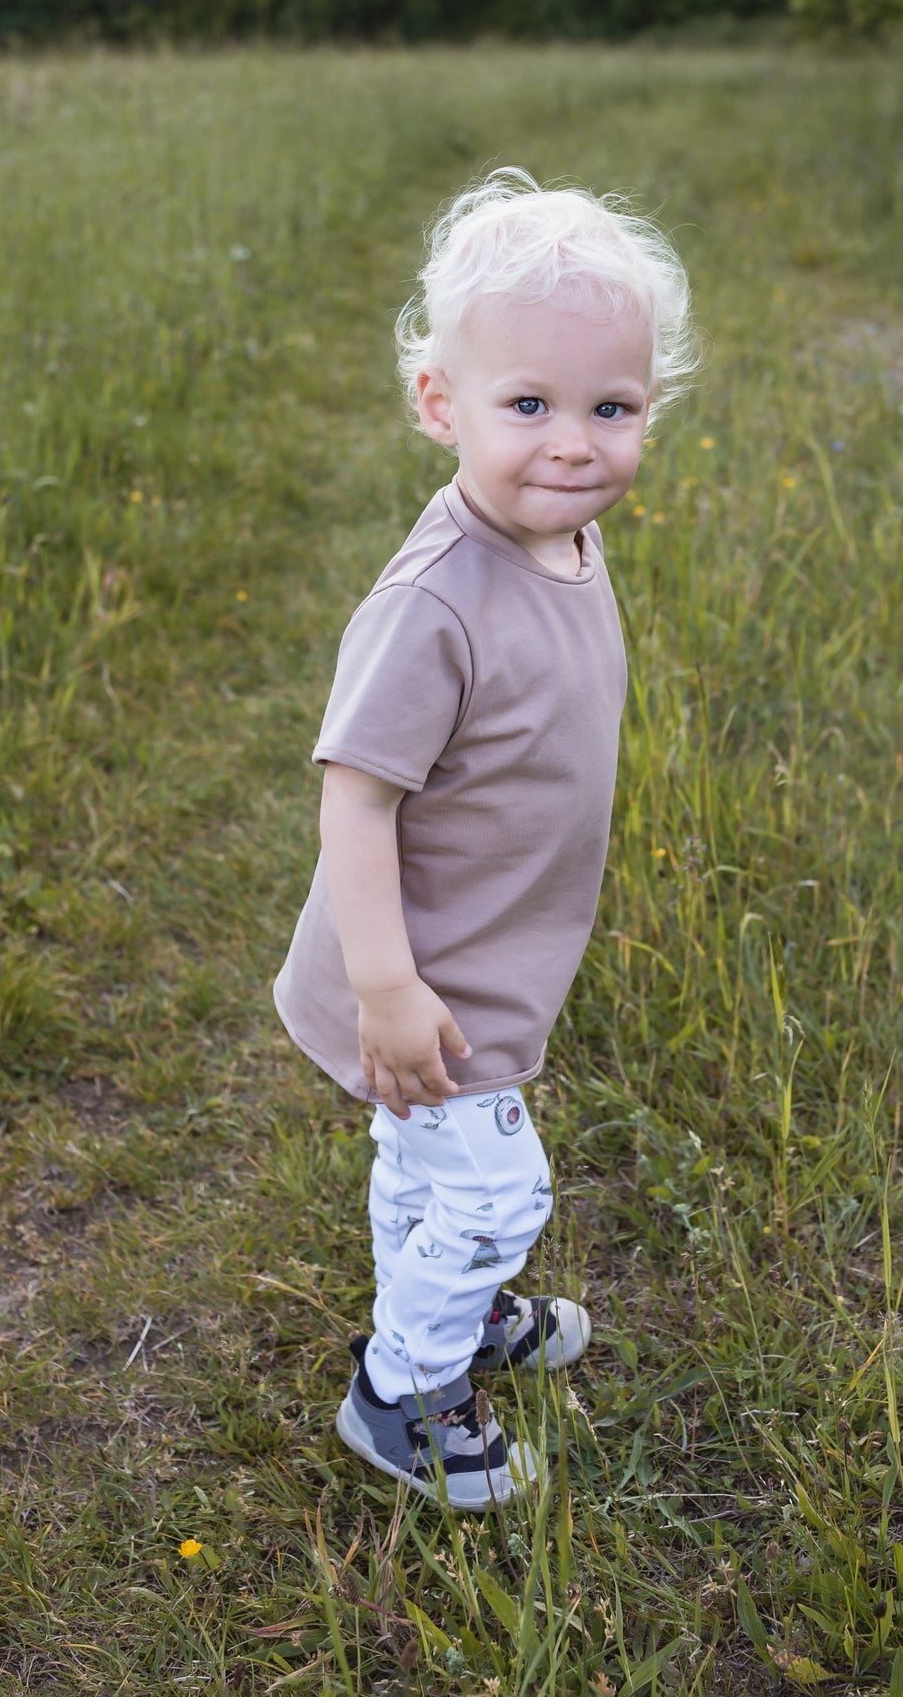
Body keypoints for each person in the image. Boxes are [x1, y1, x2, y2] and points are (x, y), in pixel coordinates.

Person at [273, 168, 697, 1507]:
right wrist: (387, 987)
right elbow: (355, 794)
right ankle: (404, 1391)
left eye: (609, 410)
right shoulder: (434, 601)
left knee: (422, 1169)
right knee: (492, 1189)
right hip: (423, 974)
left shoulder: (562, 539)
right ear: (439, 406)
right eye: (529, 406)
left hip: (488, 951)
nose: (574, 445)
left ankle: (448, 1312)